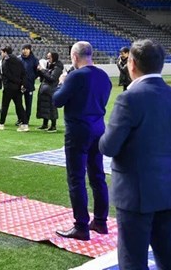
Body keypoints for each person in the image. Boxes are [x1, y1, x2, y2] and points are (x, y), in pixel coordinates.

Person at [100, 40, 171, 269]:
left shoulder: (129, 98)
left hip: (135, 193)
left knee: (132, 260)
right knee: (168, 254)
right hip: (169, 188)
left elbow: (108, 147)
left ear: (132, 64)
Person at [52, 41, 112, 241]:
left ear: (75, 57)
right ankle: (101, 222)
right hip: (98, 128)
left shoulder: (75, 76)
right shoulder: (103, 76)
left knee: (76, 178)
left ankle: (81, 226)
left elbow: (57, 100)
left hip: (78, 130)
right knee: (97, 176)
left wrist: (62, 82)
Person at [0, 46, 28, 132]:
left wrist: (13, 81)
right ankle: (25, 124)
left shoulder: (5, 61)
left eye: (2, 52)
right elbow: (24, 73)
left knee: (5, 106)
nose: (1, 54)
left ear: (5, 52)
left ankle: (1, 123)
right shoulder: (19, 60)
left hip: (9, 87)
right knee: (19, 106)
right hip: (18, 87)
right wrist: (21, 83)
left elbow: (7, 74)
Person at [35, 52, 63, 132]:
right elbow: (44, 76)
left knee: (51, 108)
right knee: (45, 107)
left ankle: (53, 126)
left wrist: (42, 70)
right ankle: (45, 124)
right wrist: (40, 71)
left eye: (49, 58)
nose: (48, 59)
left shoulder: (57, 67)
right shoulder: (50, 66)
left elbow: (52, 78)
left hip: (51, 90)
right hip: (45, 89)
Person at [19, 44, 39, 126]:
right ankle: (20, 118)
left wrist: (32, 78)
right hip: (19, 85)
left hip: (29, 85)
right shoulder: (19, 59)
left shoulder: (34, 60)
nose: (25, 50)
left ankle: (26, 120)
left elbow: (37, 71)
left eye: (27, 49)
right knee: (18, 103)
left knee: (28, 104)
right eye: (23, 49)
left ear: (30, 50)